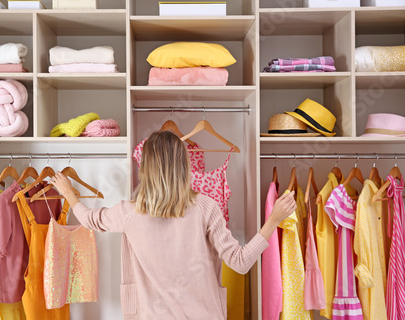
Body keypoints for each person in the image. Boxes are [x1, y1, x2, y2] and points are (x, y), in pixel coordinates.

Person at [50, 130, 296, 320]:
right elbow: (240, 263)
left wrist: (70, 194)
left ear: (145, 168)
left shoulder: (128, 213)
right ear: (184, 166)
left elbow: (89, 218)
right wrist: (273, 220)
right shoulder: (205, 208)